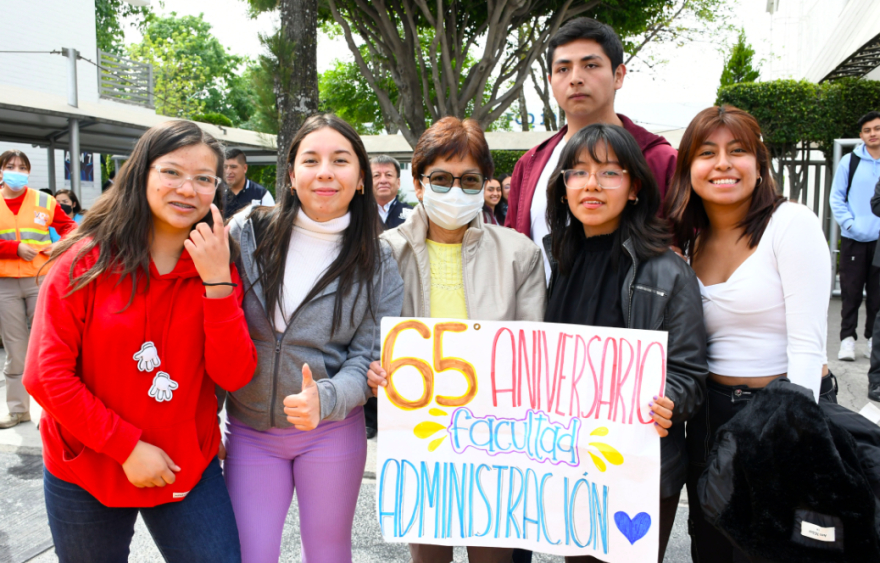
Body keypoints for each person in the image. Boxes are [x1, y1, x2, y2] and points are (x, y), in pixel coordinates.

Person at [22, 120, 258, 562]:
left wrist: (216, 284)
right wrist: (125, 447)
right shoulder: (85, 260)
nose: (188, 189)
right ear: (142, 173)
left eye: (204, 179)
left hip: (187, 461)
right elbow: (46, 375)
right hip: (86, 463)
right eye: (171, 172)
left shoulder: (219, 263)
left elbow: (234, 373)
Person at [223, 114, 404, 563]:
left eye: (340, 160)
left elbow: (369, 359)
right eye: (311, 160)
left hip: (331, 432)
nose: (325, 171)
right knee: (251, 553)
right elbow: (210, 317)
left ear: (360, 178)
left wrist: (325, 397)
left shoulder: (378, 260)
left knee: (326, 554)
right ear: (291, 174)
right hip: (250, 430)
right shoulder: (247, 234)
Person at [367, 116, 546, 563]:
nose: (455, 191)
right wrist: (370, 368)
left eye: (470, 180)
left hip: (496, 436)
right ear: (419, 181)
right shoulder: (385, 252)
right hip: (418, 436)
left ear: (486, 184)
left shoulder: (519, 253)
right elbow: (367, 339)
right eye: (442, 179)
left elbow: (532, 353)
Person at [664, 105, 833, 561]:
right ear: (688, 170)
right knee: (713, 542)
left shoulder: (790, 224)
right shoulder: (688, 242)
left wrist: (793, 438)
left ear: (759, 165)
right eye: (707, 152)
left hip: (781, 411)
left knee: (774, 546)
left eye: (737, 151)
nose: (722, 163)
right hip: (708, 419)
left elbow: (806, 344)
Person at [543, 124, 707, 562]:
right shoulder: (555, 261)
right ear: (563, 189)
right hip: (568, 463)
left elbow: (690, 375)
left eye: (609, 173)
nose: (591, 184)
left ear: (634, 187)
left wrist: (667, 400)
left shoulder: (668, 272)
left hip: (640, 464)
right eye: (576, 173)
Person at [505, 17, 678, 280]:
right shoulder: (529, 165)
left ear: (618, 75)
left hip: (628, 316)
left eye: (590, 65)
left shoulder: (659, 159)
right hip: (542, 315)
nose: (575, 78)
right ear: (551, 81)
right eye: (563, 69)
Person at [0, 150, 77, 429]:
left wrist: (60, 244)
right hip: (5, 284)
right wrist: (14, 249)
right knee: (16, 349)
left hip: (40, 281)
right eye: (10, 166)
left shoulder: (44, 200)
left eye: (22, 167)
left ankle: (52, 412)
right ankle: (18, 410)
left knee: (47, 347)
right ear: (1, 171)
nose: (16, 171)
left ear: (29, 172)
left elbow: (70, 227)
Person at [830, 111, 880, 363]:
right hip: (854, 239)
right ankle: (847, 340)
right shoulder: (850, 162)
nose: (873, 134)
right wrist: (850, 224)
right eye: (867, 130)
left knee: (877, 294)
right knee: (850, 292)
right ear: (861, 135)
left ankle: (873, 340)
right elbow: (836, 198)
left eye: (877, 128)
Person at [223, 148, 275, 219]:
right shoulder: (216, 193)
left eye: (233, 167)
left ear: (245, 168)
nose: (228, 171)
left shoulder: (261, 195)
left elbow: (272, 223)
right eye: (225, 167)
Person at [372, 154, 413, 229]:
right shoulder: (357, 214)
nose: (383, 180)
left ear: (398, 182)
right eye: (376, 175)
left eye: (389, 175)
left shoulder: (413, 215)